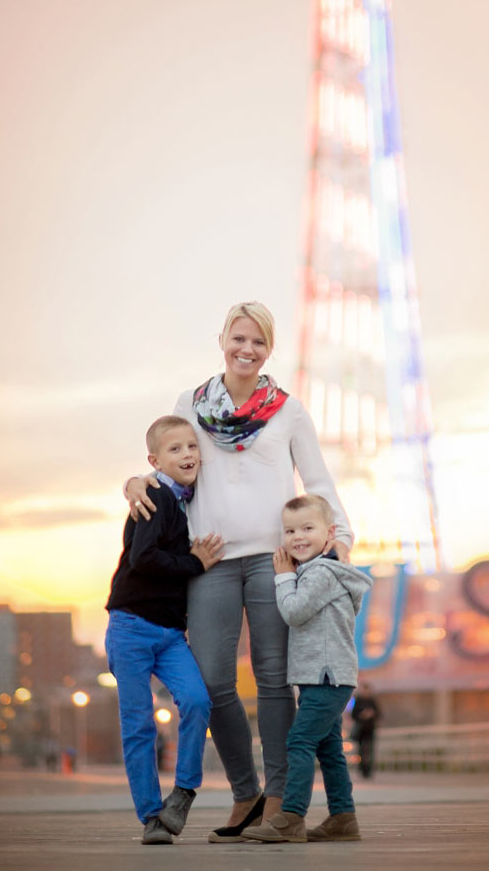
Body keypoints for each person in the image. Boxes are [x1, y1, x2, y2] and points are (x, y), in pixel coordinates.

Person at [124, 301, 352, 841]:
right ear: (222, 339)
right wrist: (135, 480)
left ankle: (278, 798)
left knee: (275, 682)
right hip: (210, 561)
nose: (247, 350)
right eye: (239, 339)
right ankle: (244, 792)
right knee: (211, 681)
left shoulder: (288, 410)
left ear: (269, 350)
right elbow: (171, 458)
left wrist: (340, 534)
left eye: (259, 343)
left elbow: (316, 479)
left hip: (276, 562)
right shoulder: (191, 403)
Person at [104, 415, 221, 845]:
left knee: (195, 700)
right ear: (155, 460)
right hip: (132, 626)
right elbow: (142, 558)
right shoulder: (157, 496)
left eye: (192, 447)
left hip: (170, 633)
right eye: (175, 450)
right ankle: (153, 817)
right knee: (139, 725)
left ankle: (184, 791)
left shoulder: (188, 497)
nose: (188, 455)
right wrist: (195, 564)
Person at [244, 495, 372, 843]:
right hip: (324, 676)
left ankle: (291, 817)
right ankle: (343, 819)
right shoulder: (320, 571)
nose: (297, 537)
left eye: (307, 528)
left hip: (326, 677)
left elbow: (295, 612)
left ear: (330, 533)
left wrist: (283, 577)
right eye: (289, 530)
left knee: (299, 741)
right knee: (329, 749)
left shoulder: (322, 573)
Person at [352, 682, 382, 780]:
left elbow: (379, 714)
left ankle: (369, 770)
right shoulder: (358, 700)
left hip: (370, 730)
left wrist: (371, 714)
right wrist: (362, 715)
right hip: (361, 731)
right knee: (361, 751)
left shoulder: (372, 701)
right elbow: (353, 715)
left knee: (370, 750)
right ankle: (362, 770)